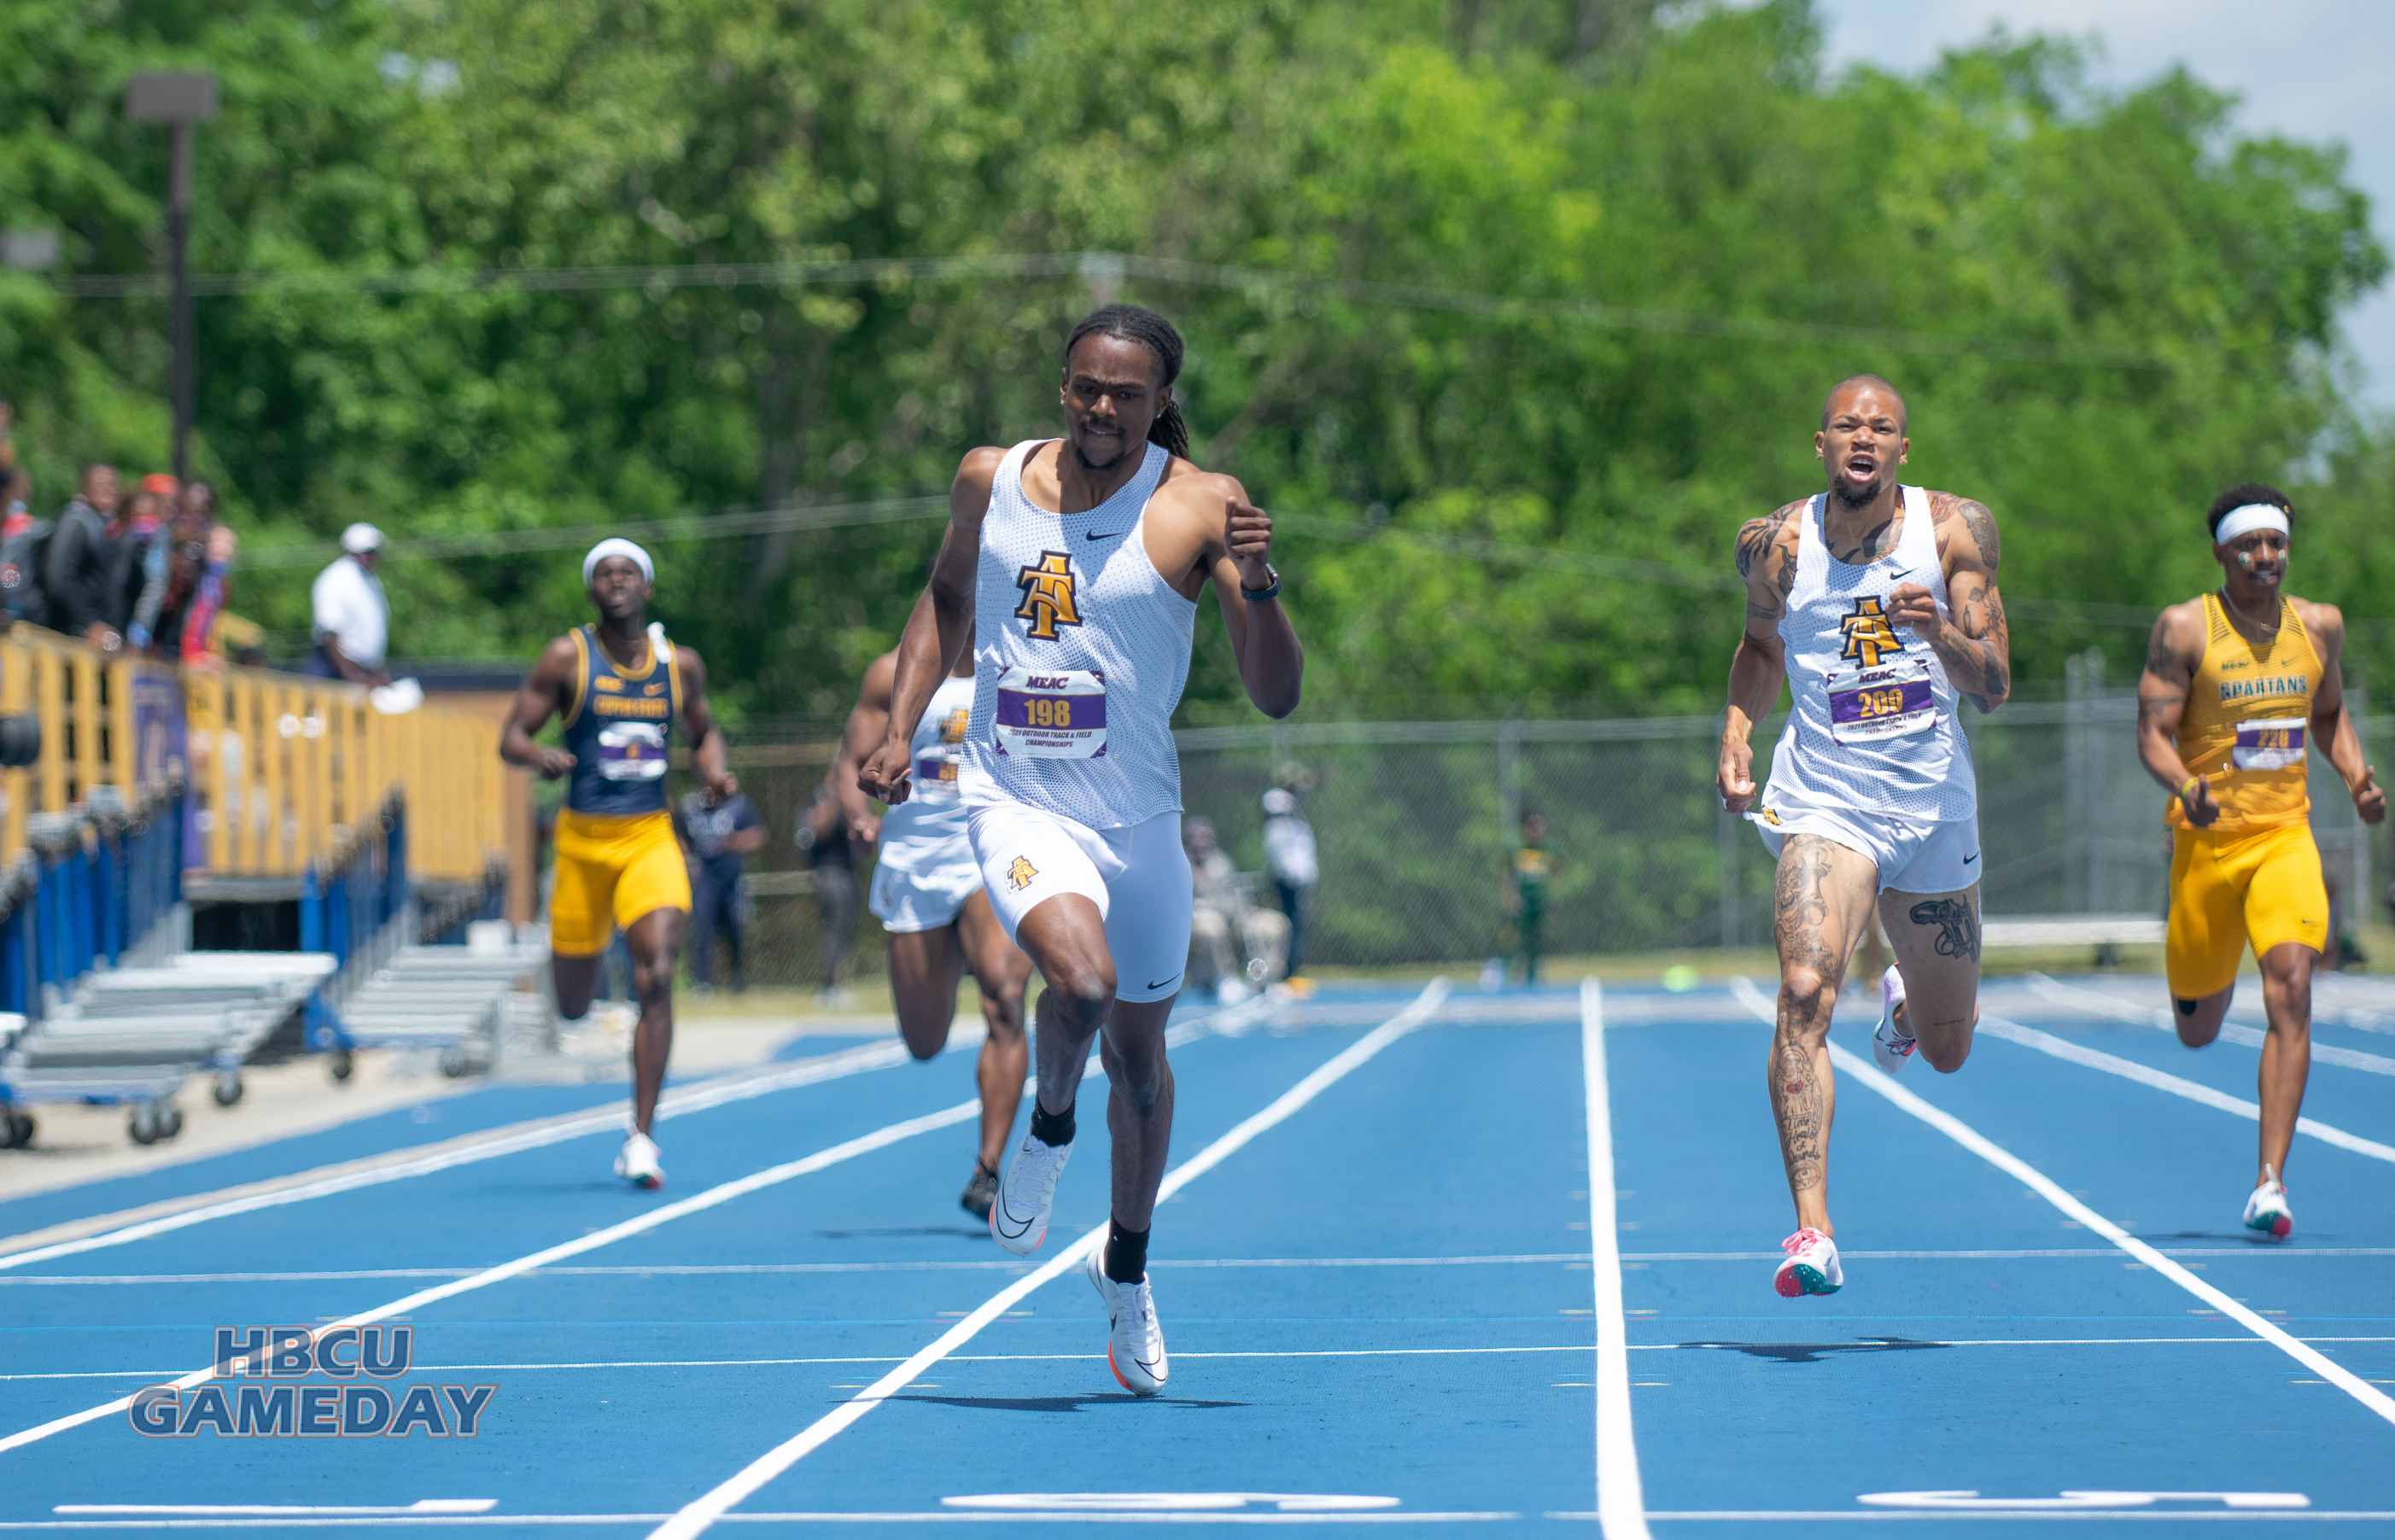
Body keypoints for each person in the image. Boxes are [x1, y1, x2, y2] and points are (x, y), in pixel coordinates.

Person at [858, 303, 1302, 1396]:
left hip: (1138, 816)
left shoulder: (1204, 505)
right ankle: (1047, 1127)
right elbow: (949, 596)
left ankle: (1128, 1270)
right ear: (1063, 385)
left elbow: (1277, 692)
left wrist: (1263, 583)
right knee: (1082, 980)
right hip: (1012, 795)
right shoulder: (989, 478)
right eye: (1087, 388)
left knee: (1143, 1073)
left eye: (1129, 393)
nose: (1104, 408)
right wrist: (898, 727)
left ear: (1160, 404)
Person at [1716, 374, 2009, 1300]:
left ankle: (1906, 1009)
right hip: (1825, 795)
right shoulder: (1780, 545)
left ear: (1902, 451)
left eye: (1882, 427)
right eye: (1848, 424)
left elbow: (1996, 682)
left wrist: (1944, 640)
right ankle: (1814, 1230)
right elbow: (1762, 648)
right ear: (1822, 442)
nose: (1864, 438)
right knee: (1803, 988)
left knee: (1949, 1044)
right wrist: (1735, 732)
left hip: (1931, 802)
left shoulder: (1957, 529)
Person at [2134, 483, 2384, 1240]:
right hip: (2206, 846)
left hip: (2283, 838)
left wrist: (2356, 773)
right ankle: (2203, 992)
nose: (2265, 557)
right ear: (2220, 552)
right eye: (2249, 545)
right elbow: (2150, 732)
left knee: (2292, 986)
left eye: (2275, 543)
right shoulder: (2184, 629)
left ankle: (2269, 1182)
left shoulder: (2320, 626)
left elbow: (2328, 714)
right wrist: (2185, 785)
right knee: (2196, 1031)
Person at [499, 539, 733, 1191]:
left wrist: (713, 770)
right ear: (591, 591)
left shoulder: (678, 664)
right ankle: (575, 979)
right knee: (573, 1005)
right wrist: (537, 755)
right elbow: (511, 735)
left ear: (647, 589)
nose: (617, 582)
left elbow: (703, 728)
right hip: (581, 843)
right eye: (604, 574)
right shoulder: (567, 656)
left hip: (649, 838)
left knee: (655, 972)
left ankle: (642, 1137)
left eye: (628, 572)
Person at [832, 640, 1034, 1219]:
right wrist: (859, 815)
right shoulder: (892, 674)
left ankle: (989, 1169)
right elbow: (849, 766)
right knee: (924, 1041)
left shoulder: (1021, 659)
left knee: (1005, 995)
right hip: (915, 862)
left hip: (991, 848)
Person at [1186, 814, 1287, 999]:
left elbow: (1232, 900)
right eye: (1196, 838)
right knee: (1213, 928)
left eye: (1205, 837)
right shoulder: (1179, 865)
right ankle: (1224, 979)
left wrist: (1243, 912)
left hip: (1234, 917)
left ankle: (1267, 980)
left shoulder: (1222, 864)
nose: (1200, 843)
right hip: (1197, 922)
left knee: (1275, 924)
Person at [677, 783, 764, 995]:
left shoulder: (738, 806)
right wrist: (686, 859)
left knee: (734, 930)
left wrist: (733, 842)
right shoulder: (691, 807)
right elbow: (677, 835)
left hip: (731, 880)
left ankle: (738, 980)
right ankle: (702, 982)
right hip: (704, 879)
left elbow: (758, 836)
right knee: (702, 929)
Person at [45, 463, 123, 650]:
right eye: (100, 484)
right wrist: (89, 623)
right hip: (64, 628)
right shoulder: (77, 522)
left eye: (113, 484)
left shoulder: (101, 522)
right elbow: (59, 578)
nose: (108, 490)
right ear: (84, 488)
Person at [798, 782, 862, 1006]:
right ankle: (827, 987)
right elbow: (817, 831)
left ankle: (835, 984)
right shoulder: (822, 801)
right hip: (830, 874)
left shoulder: (847, 801)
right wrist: (835, 801)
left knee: (843, 930)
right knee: (834, 930)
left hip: (847, 873)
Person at [309, 523, 393, 685]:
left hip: (360, 672)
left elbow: (370, 634)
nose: (374, 555)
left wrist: (377, 672)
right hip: (335, 671)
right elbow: (329, 634)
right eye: (369, 551)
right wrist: (352, 675)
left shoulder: (369, 581)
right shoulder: (335, 579)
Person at [1260, 786, 1317, 979]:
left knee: (1296, 926)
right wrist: (1291, 877)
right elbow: (1282, 860)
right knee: (1290, 926)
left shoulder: (1297, 826)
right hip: (1288, 883)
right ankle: (1287, 971)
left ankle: (1292, 970)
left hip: (1298, 882)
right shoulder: (1277, 828)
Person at [1504, 812, 1557, 986]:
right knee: (1517, 936)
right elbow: (1509, 875)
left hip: (1538, 900)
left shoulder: (1547, 850)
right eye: (1533, 827)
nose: (1536, 831)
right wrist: (1511, 897)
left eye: (1539, 827)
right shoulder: (1519, 850)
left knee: (1536, 937)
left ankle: (1533, 973)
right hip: (1522, 900)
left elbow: (1557, 868)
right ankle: (1511, 969)